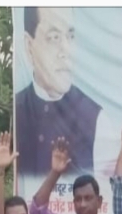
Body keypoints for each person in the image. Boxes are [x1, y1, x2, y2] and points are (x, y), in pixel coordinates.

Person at [15, 7, 106, 176]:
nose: (66, 51)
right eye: (54, 38)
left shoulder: (96, 118)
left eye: (70, 37)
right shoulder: (17, 110)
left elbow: (104, 187)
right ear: (29, 47)